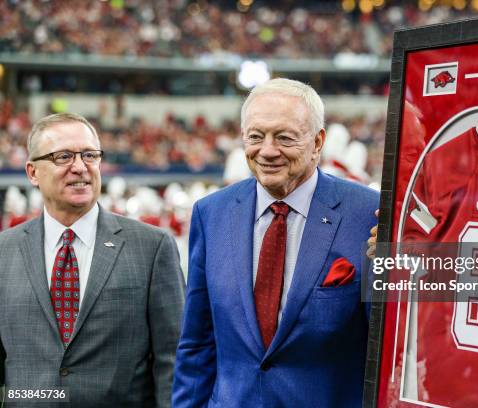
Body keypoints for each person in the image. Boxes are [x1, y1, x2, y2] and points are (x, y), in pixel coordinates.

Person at [172, 78, 379, 407]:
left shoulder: (371, 213)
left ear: (317, 142)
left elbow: (396, 342)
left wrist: (407, 263)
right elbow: (197, 343)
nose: (267, 150)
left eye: (284, 137)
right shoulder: (210, 213)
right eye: (256, 136)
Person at [0, 113, 185, 407]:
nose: (80, 167)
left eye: (89, 155)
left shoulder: (152, 247)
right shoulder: (4, 250)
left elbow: (173, 360)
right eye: (63, 157)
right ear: (32, 172)